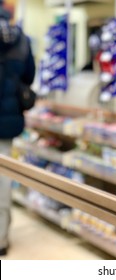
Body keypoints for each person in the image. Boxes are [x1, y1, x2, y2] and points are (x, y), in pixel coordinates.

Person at [0, 1, 35, 256]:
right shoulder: (21, 39)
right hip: (7, 122)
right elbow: (29, 76)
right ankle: (0, 239)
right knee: (3, 183)